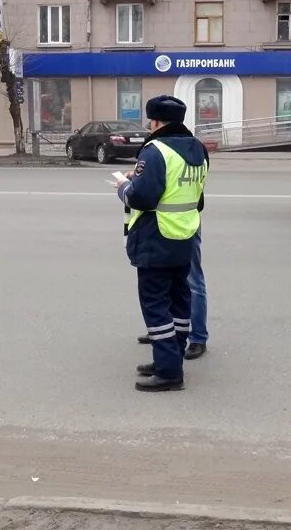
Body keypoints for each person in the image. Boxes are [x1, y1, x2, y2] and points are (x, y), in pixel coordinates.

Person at [115, 95, 209, 392]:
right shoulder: (198, 148)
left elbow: (142, 197)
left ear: (155, 122)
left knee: (155, 305)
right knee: (180, 301)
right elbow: (196, 196)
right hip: (185, 235)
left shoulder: (155, 150)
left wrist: (124, 187)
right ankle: (170, 359)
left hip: (157, 238)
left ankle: (169, 372)